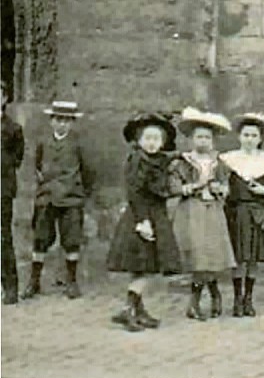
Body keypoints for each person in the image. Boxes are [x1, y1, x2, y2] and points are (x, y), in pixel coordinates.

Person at [106, 112, 181, 331]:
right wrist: (143, 221)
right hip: (143, 215)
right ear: (139, 141)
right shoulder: (138, 160)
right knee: (144, 265)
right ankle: (128, 309)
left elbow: (167, 165)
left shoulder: (157, 160)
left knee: (146, 265)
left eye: (156, 139)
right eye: (147, 138)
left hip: (155, 214)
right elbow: (135, 192)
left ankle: (138, 310)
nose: (151, 143)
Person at [169, 108, 237, 320]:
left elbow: (227, 186)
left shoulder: (220, 164)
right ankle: (196, 301)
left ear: (213, 140)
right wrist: (196, 185)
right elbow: (175, 188)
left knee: (212, 253)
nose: (203, 141)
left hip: (213, 210)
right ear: (190, 139)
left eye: (207, 137)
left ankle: (214, 293)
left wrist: (220, 189)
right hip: (192, 211)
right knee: (199, 255)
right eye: (199, 136)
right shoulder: (181, 162)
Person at [25, 100, 93, 300]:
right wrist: (43, 188)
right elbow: (38, 166)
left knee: (71, 241)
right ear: (51, 121)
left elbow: (88, 171)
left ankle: (71, 281)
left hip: (71, 200)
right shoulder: (43, 142)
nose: (62, 124)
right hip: (46, 199)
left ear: (72, 123)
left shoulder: (78, 144)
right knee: (40, 239)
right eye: (58, 119)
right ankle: (34, 281)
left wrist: (79, 192)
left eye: (66, 120)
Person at [221, 112, 264, 317]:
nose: (249, 139)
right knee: (239, 257)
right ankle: (237, 299)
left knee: (253, 258)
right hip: (237, 212)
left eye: (254, 136)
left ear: (260, 139)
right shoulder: (228, 160)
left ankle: (249, 298)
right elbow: (223, 185)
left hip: (259, 212)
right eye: (246, 135)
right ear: (239, 136)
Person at [2, 89, 23, 304]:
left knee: (3, 238)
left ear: (4, 99)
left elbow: (17, 158)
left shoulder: (13, 129)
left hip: (2, 190)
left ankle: (10, 287)